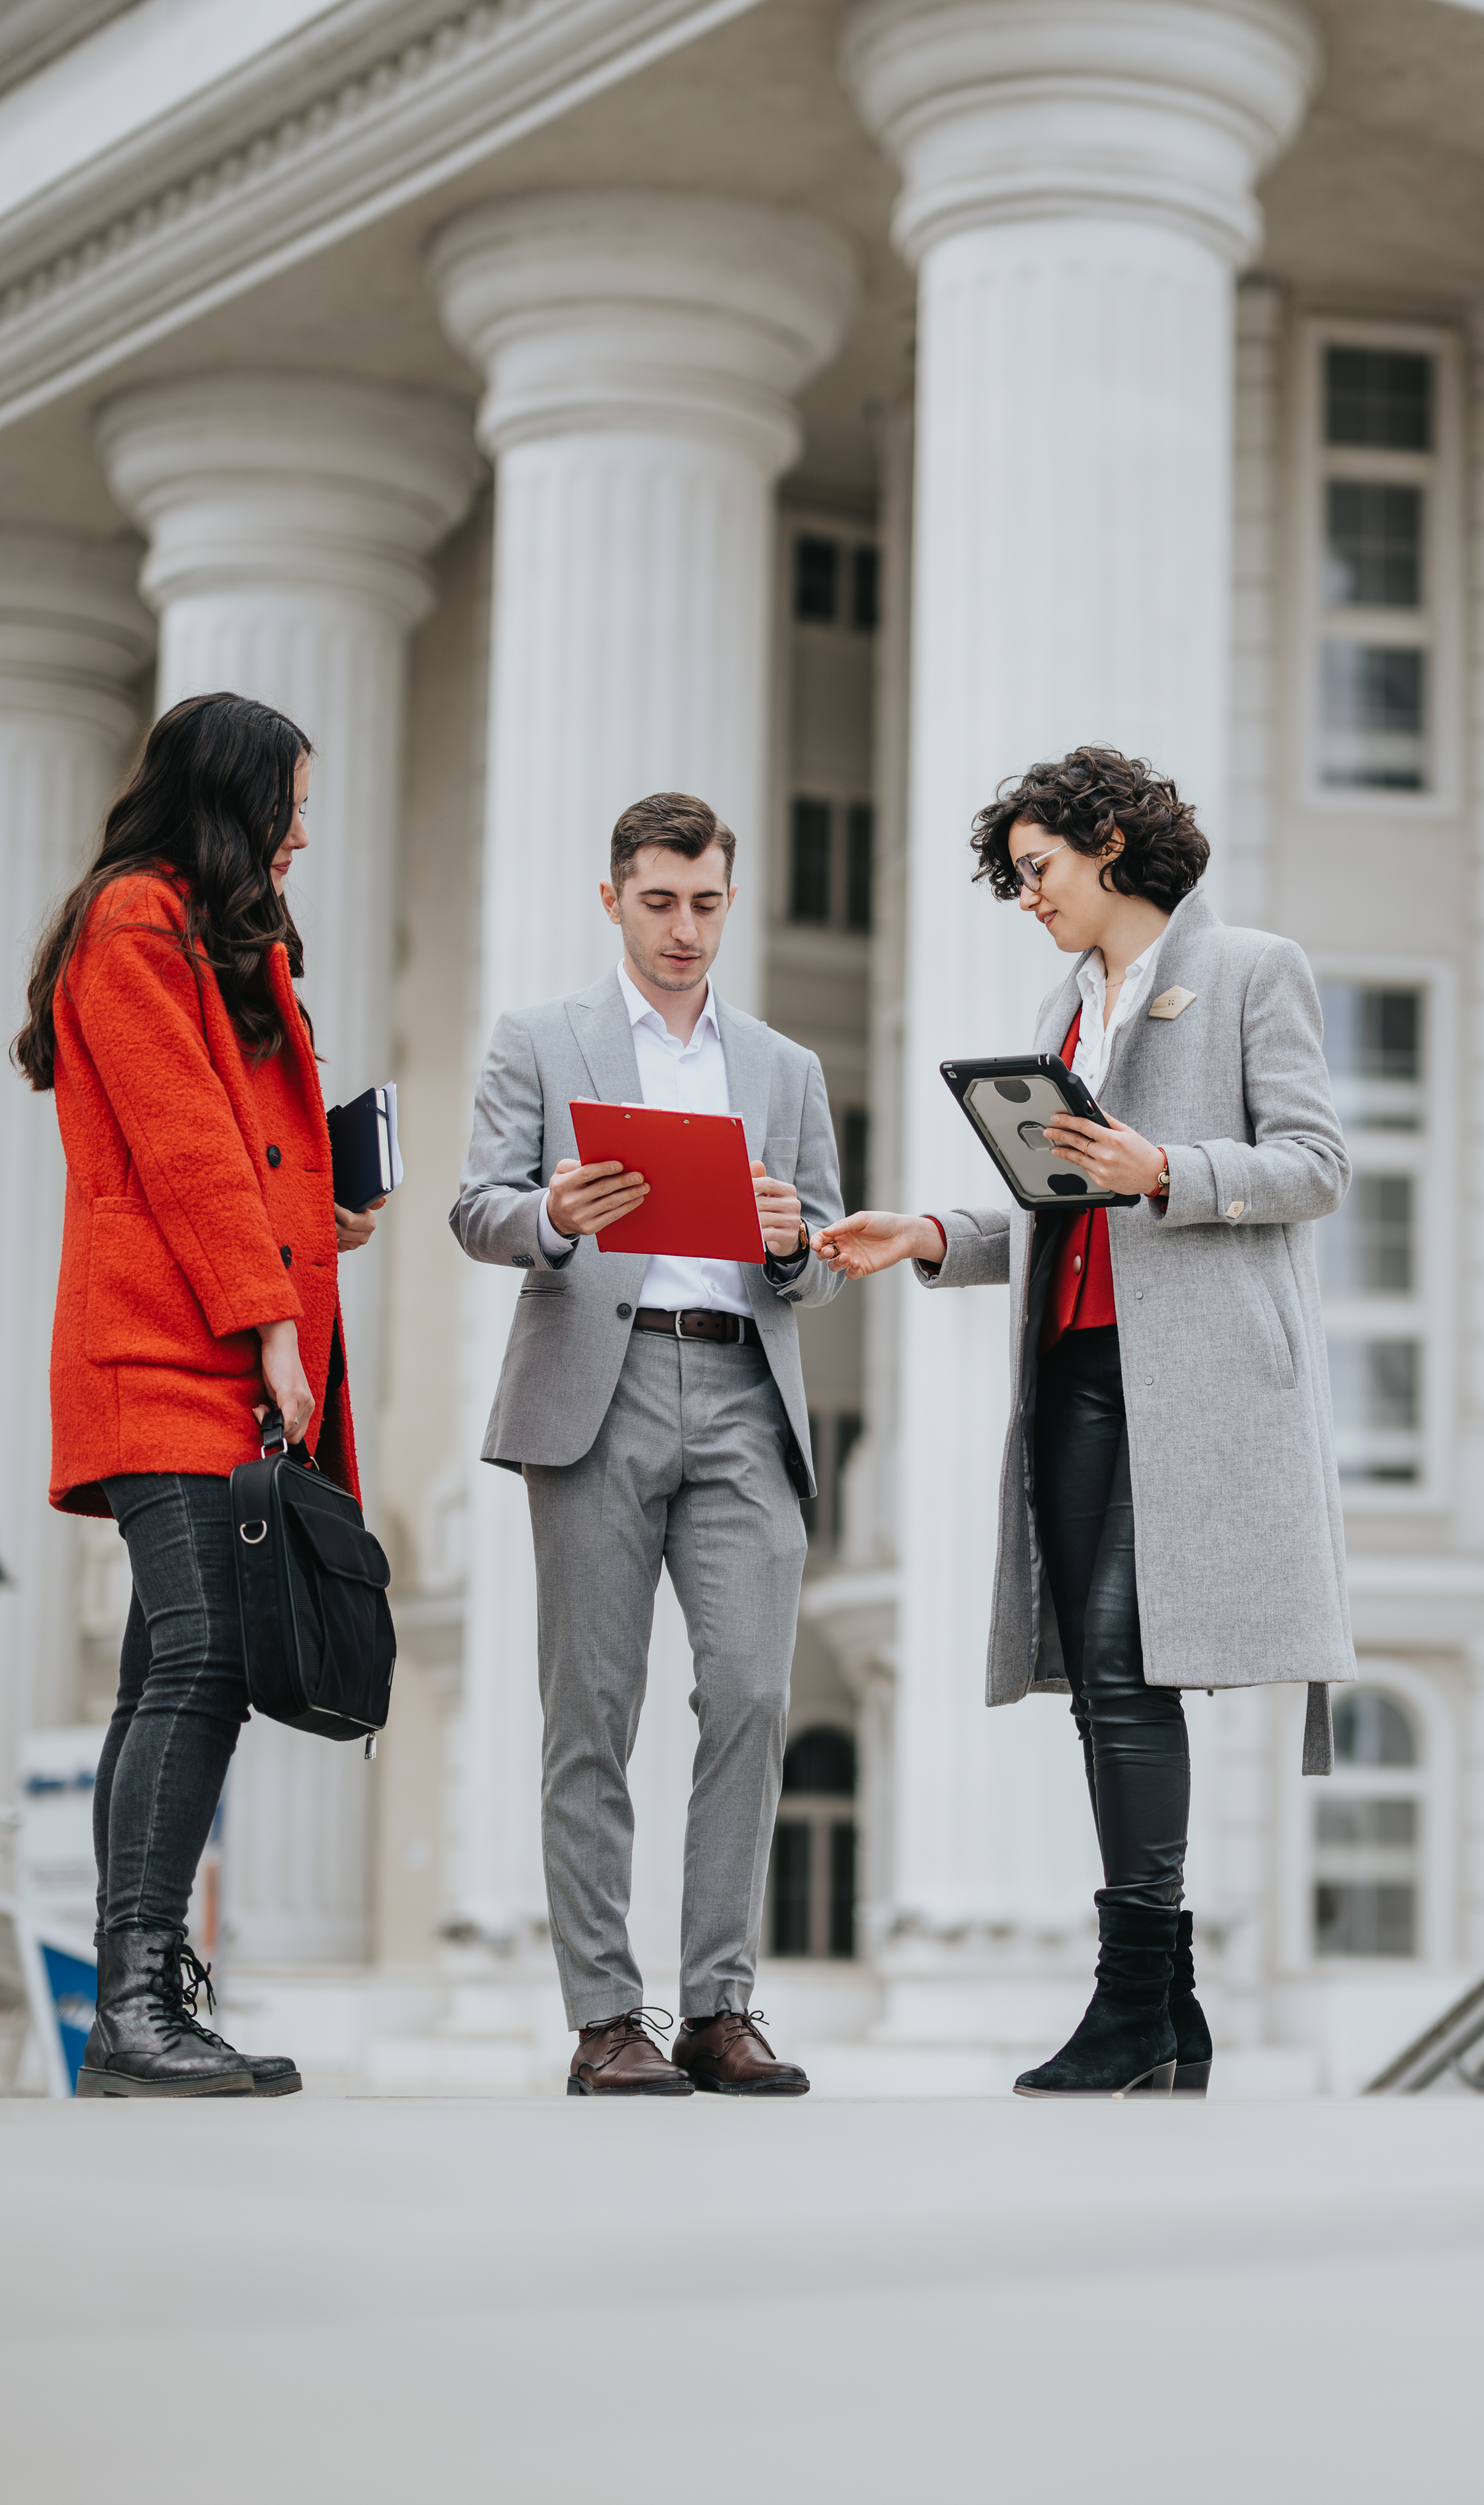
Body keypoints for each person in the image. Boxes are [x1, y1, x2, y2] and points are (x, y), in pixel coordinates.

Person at [818, 745, 1354, 2099]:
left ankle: (1131, 2003)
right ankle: (1168, 2013)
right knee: (1101, 1682)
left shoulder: (1251, 970)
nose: (1027, 897)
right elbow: (1064, 1204)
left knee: (1126, 1666)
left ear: (1110, 844)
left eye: (1038, 869)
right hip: (1070, 1370)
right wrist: (934, 1231)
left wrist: (1166, 1166)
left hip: (1195, 1384)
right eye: (1013, 879)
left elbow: (1316, 1164)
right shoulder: (1066, 1009)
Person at [452, 793, 846, 2097]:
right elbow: (476, 1206)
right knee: (593, 1711)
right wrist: (553, 1212)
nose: (685, 928)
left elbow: (825, 1257)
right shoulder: (540, 1039)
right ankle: (606, 2013)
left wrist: (793, 1241)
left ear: (732, 901)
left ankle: (720, 2007)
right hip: (596, 1389)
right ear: (614, 897)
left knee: (751, 1693)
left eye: (707, 902)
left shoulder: (785, 1067)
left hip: (743, 1388)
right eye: (661, 900)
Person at [20, 690, 379, 2097]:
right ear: (231, 797)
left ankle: (140, 1994)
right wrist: (275, 1326)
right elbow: (182, 1153)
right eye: (292, 797)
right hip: (171, 1346)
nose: (306, 826)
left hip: (213, 1336)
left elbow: (242, 1146)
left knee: (165, 1672)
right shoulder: (133, 924)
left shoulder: (211, 937)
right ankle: (134, 2002)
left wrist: (323, 1210)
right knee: (204, 1665)